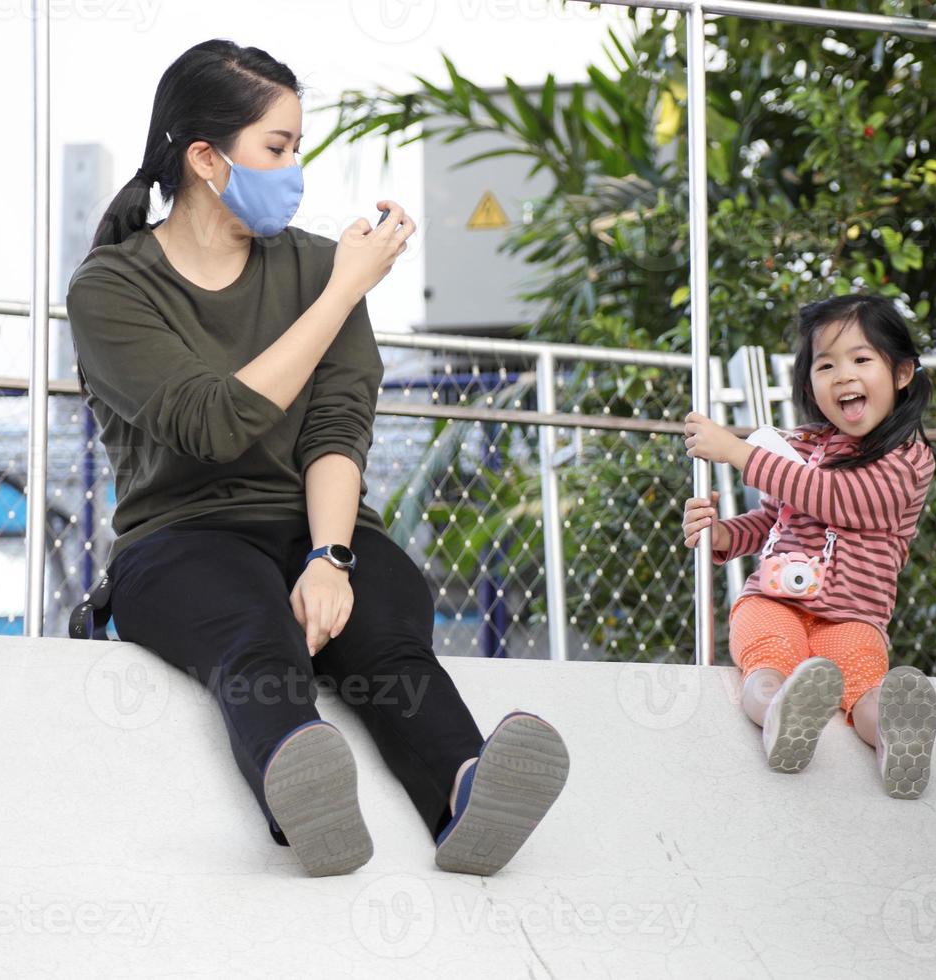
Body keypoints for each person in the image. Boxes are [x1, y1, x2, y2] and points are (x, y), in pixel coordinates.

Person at [65, 39, 568, 877]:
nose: (295, 167)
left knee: (385, 637)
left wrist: (332, 556)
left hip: (313, 521)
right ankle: (299, 780)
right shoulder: (111, 287)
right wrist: (345, 288)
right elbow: (213, 422)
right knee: (251, 631)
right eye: (278, 147)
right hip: (182, 537)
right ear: (205, 158)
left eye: (298, 146)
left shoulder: (310, 262)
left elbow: (337, 424)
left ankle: (467, 791)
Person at [680, 294, 936, 799]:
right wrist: (721, 533)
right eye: (826, 365)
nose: (843, 375)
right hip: (774, 602)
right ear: (810, 384)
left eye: (861, 359)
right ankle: (780, 715)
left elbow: (841, 499)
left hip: (853, 617)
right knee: (770, 664)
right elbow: (774, 520)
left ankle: (897, 737)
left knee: (865, 684)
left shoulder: (908, 461)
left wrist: (739, 452)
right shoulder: (803, 446)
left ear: (903, 373)